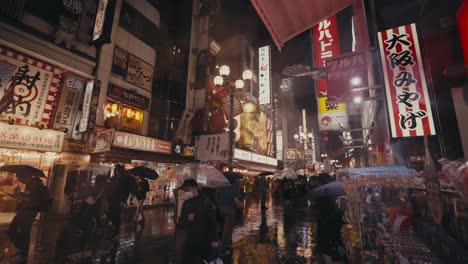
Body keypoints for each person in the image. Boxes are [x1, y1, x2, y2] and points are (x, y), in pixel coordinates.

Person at [8, 175, 51, 264]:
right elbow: (28, 196)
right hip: (25, 210)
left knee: (22, 231)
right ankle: (21, 251)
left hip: (30, 211)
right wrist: (20, 195)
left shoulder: (36, 186)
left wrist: (20, 196)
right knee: (16, 230)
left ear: (27, 176)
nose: (20, 179)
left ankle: (23, 254)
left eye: (21, 177)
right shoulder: (30, 185)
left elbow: (33, 201)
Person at [178, 179, 219, 263]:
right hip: (190, 241)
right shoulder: (186, 204)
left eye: (188, 190)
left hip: (205, 241)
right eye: (185, 191)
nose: (187, 192)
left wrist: (214, 240)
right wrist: (187, 219)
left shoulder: (206, 202)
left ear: (195, 188)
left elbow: (212, 222)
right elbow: (181, 222)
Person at [215, 179, 243, 255]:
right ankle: (224, 248)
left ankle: (223, 243)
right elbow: (239, 198)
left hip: (220, 209)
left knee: (221, 226)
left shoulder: (220, 187)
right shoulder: (234, 187)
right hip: (229, 209)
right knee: (228, 229)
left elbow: (216, 198)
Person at [315, 197, 346, 264]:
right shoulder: (336, 215)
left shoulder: (320, 216)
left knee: (328, 261)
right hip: (333, 244)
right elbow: (340, 228)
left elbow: (319, 233)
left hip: (324, 245)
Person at [107, 164, 133, 237]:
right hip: (112, 199)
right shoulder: (114, 178)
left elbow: (126, 191)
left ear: (119, 171)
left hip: (118, 200)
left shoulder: (124, 179)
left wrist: (123, 200)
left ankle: (116, 231)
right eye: (115, 170)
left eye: (116, 170)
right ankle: (113, 228)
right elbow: (110, 187)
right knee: (109, 213)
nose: (115, 171)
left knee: (116, 215)